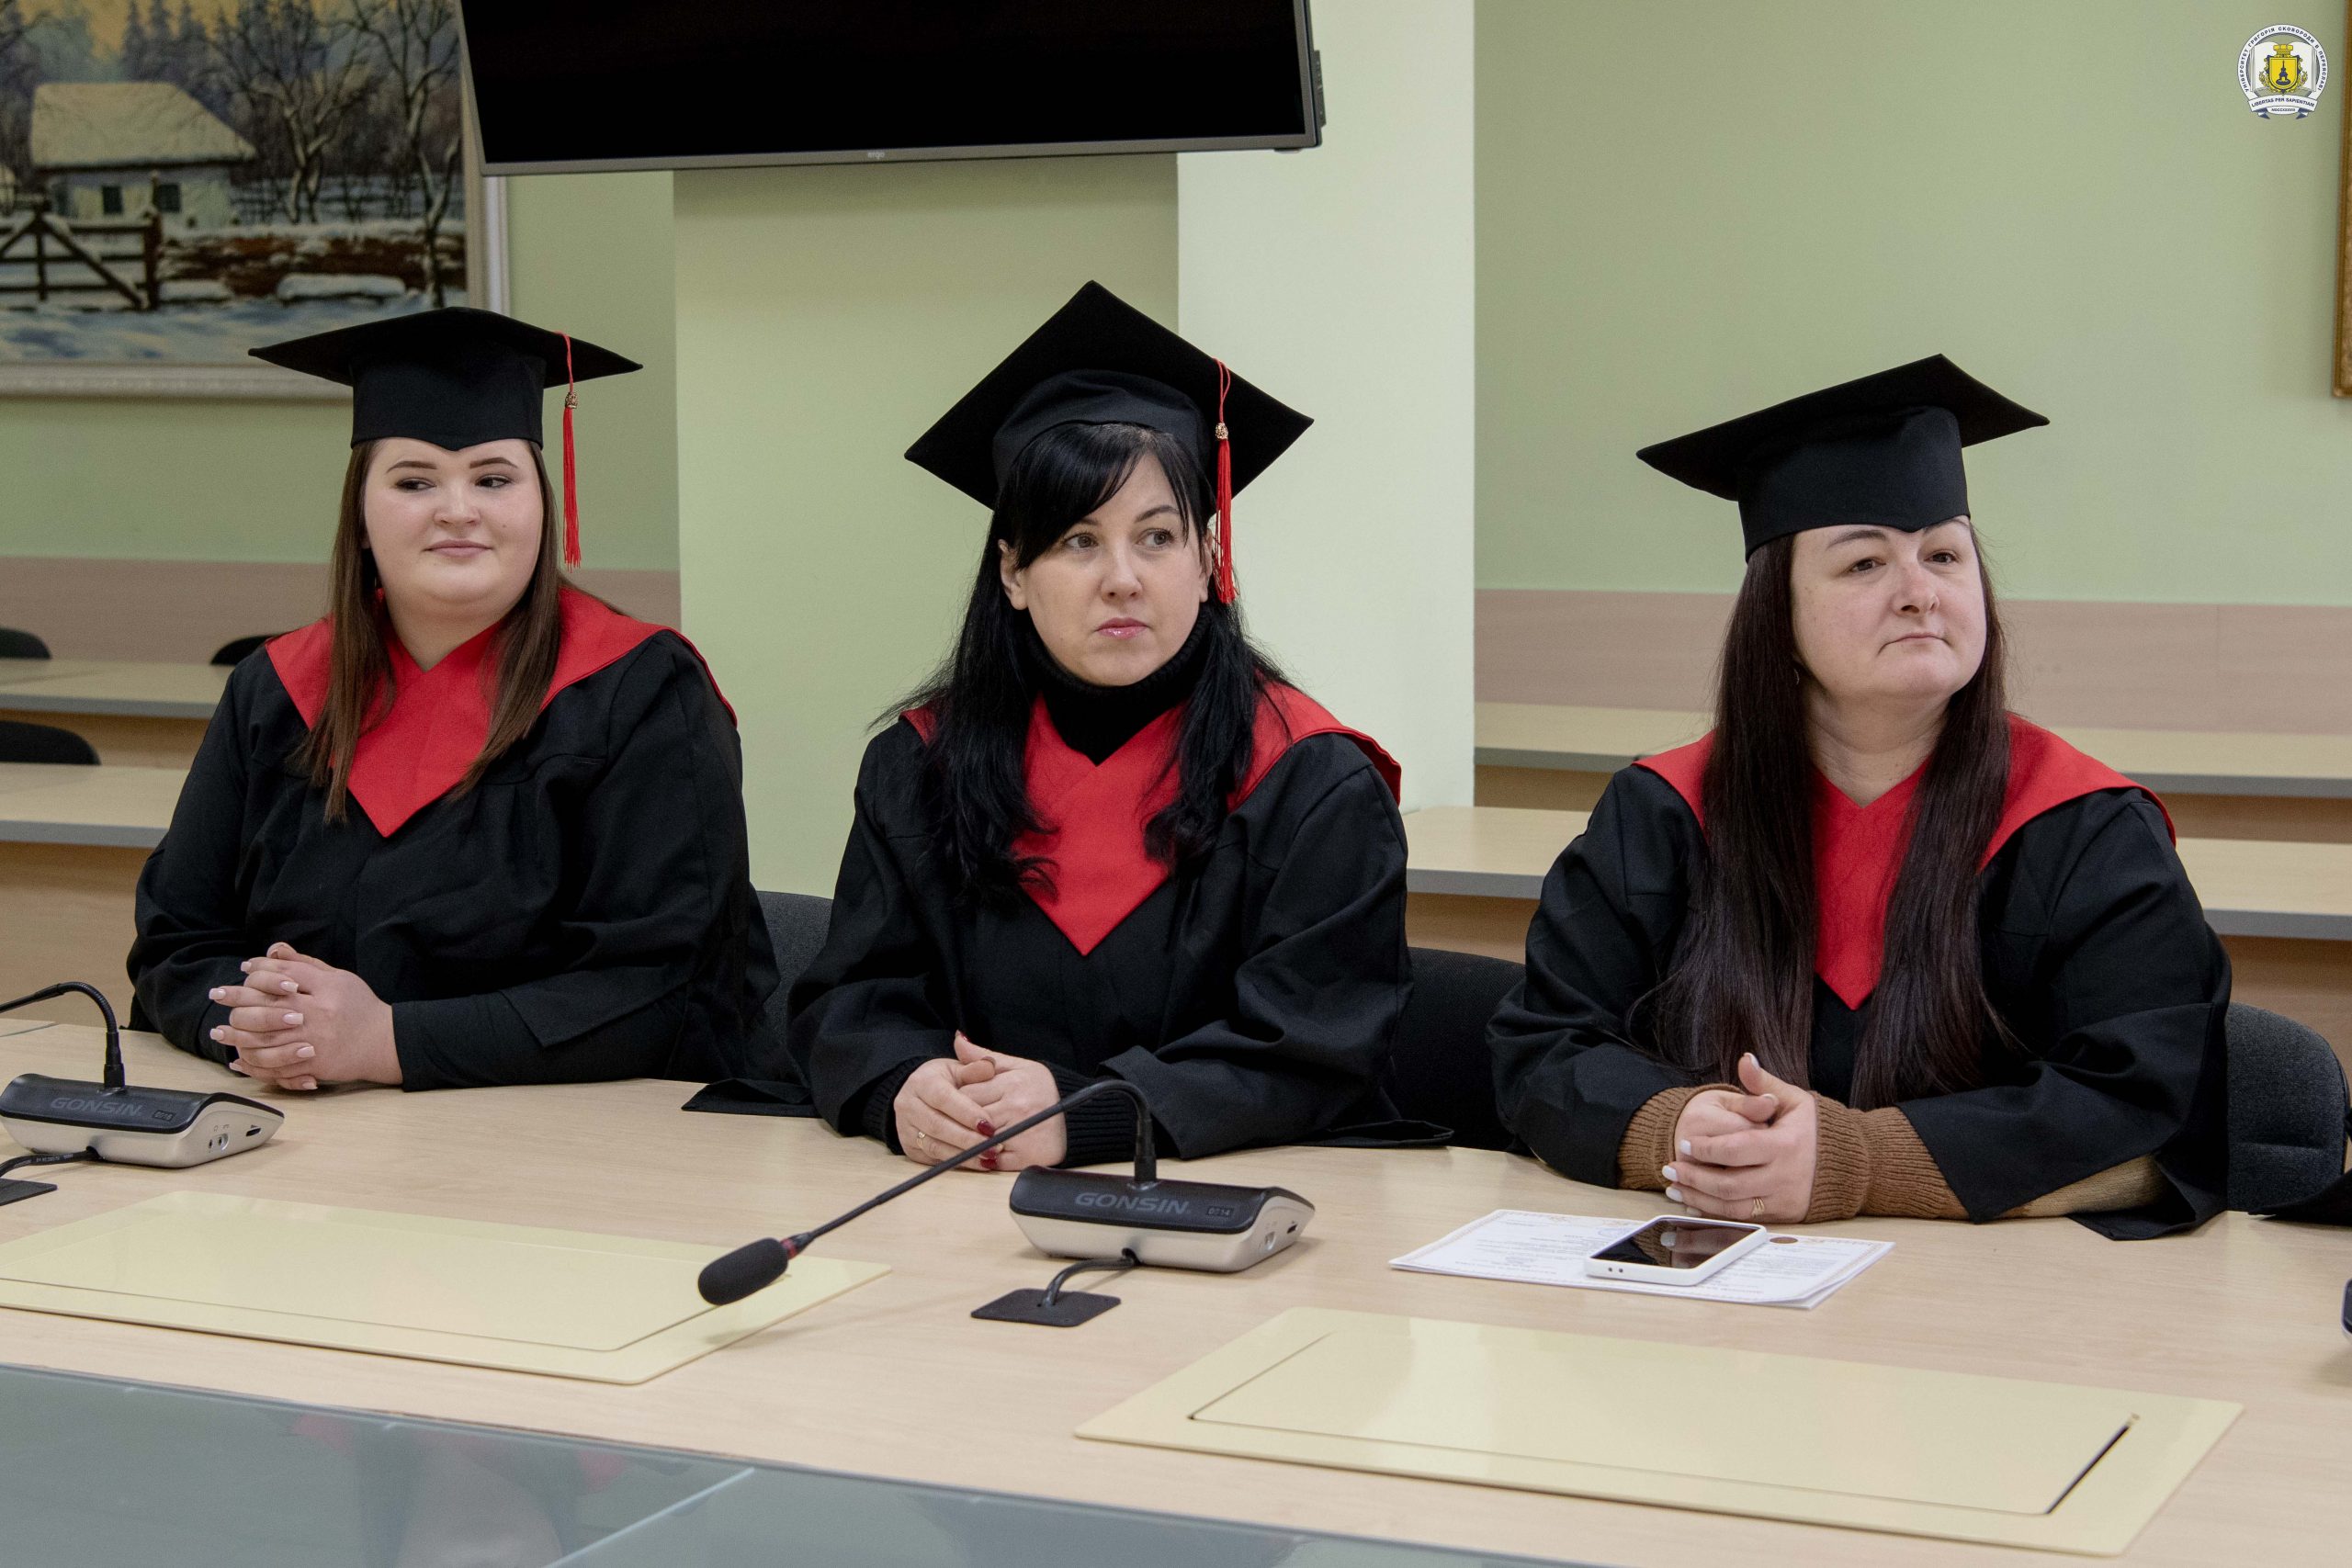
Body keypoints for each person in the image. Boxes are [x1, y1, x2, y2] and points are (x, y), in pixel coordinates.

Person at [1488, 356, 2227, 1237]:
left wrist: (1861, 1161)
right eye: (1865, 562)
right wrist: (1677, 1130)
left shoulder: (2086, 828)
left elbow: (2154, 1107)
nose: (1919, 593)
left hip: (1989, 1293)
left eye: (1944, 555)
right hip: (1709, 1278)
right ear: (1779, 617)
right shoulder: (1662, 814)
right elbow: (1544, 1048)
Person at [786, 282, 1411, 1170]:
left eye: (1157, 537)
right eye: (1079, 540)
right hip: (961, 1201)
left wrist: (1092, 1115)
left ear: (1208, 558)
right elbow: (852, 1000)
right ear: (1013, 572)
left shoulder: (1309, 784)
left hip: (1235, 1205)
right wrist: (901, 1084)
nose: (1122, 577)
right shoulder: (920, 766)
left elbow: (1318, 1053)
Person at [130, 308, 776, 1091]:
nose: (458, 510)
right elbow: (177, 942)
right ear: (360, 515)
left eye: (494, 478)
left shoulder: (639, 691)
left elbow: (670, 991)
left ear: (541, 502)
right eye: (414, 481)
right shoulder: (275, 689)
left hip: (559, 1137)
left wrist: (388, 1043)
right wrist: (254, 1022)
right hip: (297, 1124)